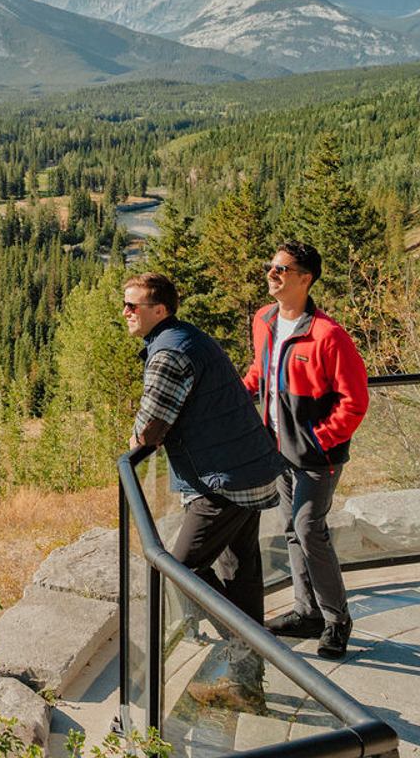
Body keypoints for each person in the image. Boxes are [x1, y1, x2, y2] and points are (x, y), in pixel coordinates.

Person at [126, 272, 286, 710]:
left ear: (159, 310)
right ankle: (245, 682)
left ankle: (246, 649)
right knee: (240, 568)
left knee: (181, 569)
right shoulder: (186, 338)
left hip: (223, 481)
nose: (125, 313)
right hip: (246, 468)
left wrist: (133, 445)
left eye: (132, 306)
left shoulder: (167, 354)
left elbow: (149, 431)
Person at [243, 240, 370, 660]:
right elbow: (260, 374)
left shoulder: (328, 335)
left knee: (309, 529)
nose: (271, 274)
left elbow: (354, 400)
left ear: (305, 278)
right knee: (291, 532)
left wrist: (320, 438)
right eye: (270, 266)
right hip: (278, 452)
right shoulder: (264, 320)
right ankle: (306, 611)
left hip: (317, 457)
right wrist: (234, 398)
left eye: (281, 269)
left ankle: (337, 619)